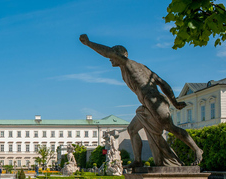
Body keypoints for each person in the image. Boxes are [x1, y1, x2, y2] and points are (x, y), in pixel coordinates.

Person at [79, 34, 202, 167]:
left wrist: (89, 43)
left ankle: (197, 149)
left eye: (112, 56)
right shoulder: (138, 67)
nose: (110, 59)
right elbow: (162, 83)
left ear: (120, 55)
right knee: (131, 130)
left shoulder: (129, 64)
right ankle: (138, 161)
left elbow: (162, 83)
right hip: (147, 103)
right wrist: (174, 102)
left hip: (153, 100)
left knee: (169, 127)